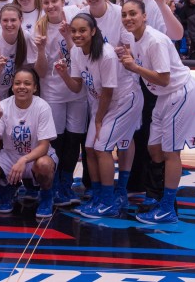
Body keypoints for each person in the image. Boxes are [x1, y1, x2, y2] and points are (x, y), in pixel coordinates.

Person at [117, 0, 195, 224]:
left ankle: (168, 208)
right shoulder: (132, 38)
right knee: (153, 148)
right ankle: (157, 197)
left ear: (144, 16)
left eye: (133, 14)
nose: (128, 18)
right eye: (125, 15)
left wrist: (134, 67)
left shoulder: (154, 40)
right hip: (164, 96)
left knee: (170, 151)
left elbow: (164, 79)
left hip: (179, 92)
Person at [54, 13, 143, 218]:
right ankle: (98, 196)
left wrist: (99, 119)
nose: (77, 34)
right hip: (101, 102)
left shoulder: (106, 54)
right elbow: (77, 87)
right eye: (74, 30)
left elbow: (109, 91)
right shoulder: (76, 52)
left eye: (82, 30)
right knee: (89, 148)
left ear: (93, 31)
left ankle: (109, 200)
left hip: (124, 101)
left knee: (102, 147)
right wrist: (64, 74)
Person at [80, 0, 137, 205]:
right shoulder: (81, 14)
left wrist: (109, 52)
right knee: (93, 144)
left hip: (122, 87)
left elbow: (128, 49)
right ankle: (100, 190)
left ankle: (120, 189)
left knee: (124, 140)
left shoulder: (119, 13)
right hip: (96, 90)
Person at [0, 4, 40, 206]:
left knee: (11, 139)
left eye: (14, 20)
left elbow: (31, 71)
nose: (10, 24)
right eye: (5, 20)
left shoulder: (27, 39)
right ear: (0, 22)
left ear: (21, 20)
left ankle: (12, 183)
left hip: (14, 95)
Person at [0, 68, 58, 218]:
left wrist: (23, 160)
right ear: (12, 87)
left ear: (35, 87)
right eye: (17, 83)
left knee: (44, 165)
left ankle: (46, 196)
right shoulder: (3, 106)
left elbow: (44, 146)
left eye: (27, 83)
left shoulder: (42, 106)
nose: (22, 87)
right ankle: (8, 188)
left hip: (35, 156)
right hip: (10, 156)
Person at [33, 0, 86, 207]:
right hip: (53, 90)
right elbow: (42, 71)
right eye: (46, 3)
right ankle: (53, 184)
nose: (51, 6)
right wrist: (41, 50)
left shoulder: (74, 18)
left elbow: (82, 56)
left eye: (55, 1)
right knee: (56, 140)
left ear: (63, 1)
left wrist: (69, 37)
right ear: (42, 5)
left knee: (74, 139)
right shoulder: (39, 27)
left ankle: (66, 183)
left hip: (76, 89)